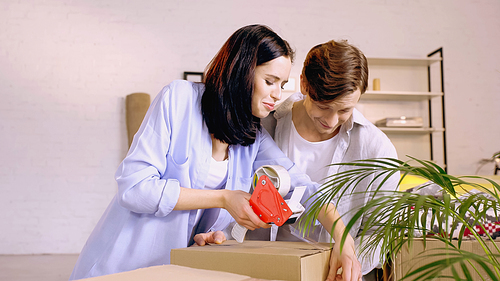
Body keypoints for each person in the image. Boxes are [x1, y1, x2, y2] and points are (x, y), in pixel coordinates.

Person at [69, 25, 361, 281]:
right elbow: (135, 188)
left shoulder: (252, 138)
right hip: (122, 266)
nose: (277, 94)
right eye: (269, 81)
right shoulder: (179, 99)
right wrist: (224, 199)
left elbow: (304, 188)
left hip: (175, 269)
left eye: (282, 85)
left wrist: (344, 242)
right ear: (242, 69)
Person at [254, 40, 400, 280]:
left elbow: (381, 232)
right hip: (267, 270)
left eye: (344, 110)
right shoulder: (264, 126)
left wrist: (347, 260)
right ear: (303, 83)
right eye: (323, 106)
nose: (331, 121)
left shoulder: (376, 148)